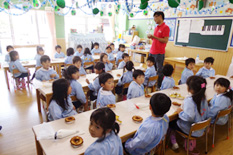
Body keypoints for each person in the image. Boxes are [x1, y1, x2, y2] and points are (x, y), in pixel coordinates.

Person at [169, 76, 209, 153]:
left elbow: (188, 117)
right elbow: (207, 112)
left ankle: (174, 143)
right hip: (201, 128)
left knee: (171, 122)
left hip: (191, 130)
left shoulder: (190, 100)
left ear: (190, 89)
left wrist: (180, 112)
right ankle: (187, 142)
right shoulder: (203, 98)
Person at [147, 11, 170, 89]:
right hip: (152, 51)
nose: (154, 19)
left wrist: (154, 37)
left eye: (155, 17)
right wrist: (151, 37)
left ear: (160, 16)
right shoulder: (156, 27)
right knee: (151, 69)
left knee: (159, 71)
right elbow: (156, 39)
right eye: (154, 17)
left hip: (159, 53)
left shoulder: (165, 27)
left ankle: (159, 86)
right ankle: (151, 84)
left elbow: (165, 40)